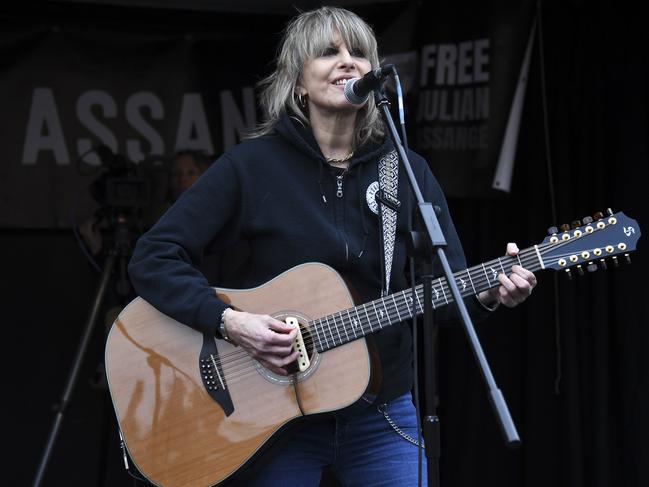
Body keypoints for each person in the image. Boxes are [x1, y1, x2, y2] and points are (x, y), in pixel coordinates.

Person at [127, 6, 536, 486]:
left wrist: (488, 294)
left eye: (359, 52)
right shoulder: (252, 167)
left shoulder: (405, 169)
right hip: (272, 419)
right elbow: (153, 257)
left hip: (381, 414)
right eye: (328, 52)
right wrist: (231, 323)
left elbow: (443, 295)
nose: (349, 62)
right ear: (298, 82)